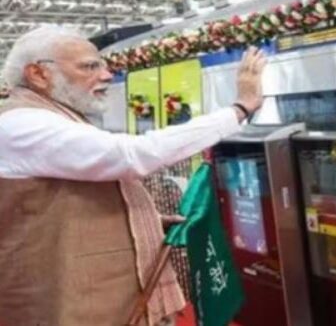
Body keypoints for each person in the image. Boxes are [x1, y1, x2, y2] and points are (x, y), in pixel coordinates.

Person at [0, 25, 267, 326]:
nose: (106, 75)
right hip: (64, 300)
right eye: (89, 66)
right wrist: (239, 109)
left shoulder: (51, 116)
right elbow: (132, 155)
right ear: (38, 74)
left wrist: (145, 221)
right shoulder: (20, 123)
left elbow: (60, 201)